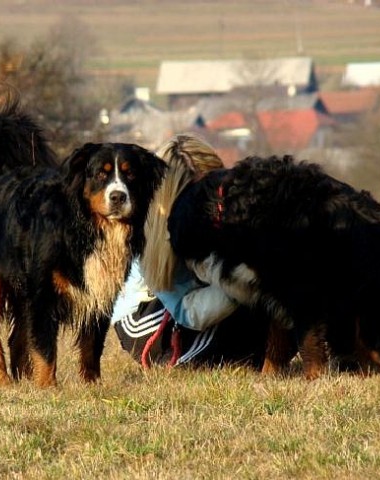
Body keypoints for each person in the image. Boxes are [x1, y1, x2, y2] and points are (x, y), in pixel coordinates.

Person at [111, 133, 268, 369]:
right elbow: (190, 313)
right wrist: (250, 283)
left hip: (208, 298)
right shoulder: (152, 228)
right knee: (228, 348)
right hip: (152, 314)